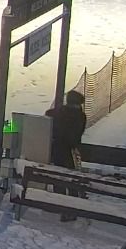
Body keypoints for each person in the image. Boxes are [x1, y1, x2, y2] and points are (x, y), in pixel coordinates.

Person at [45, 90, 88, 222]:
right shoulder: (80, 116)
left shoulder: (61, 112)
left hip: (57, 150)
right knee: (72, 179)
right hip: (71, 151)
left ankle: (61, 205)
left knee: (59, 178)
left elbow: (48, 113)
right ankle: (70, 209)